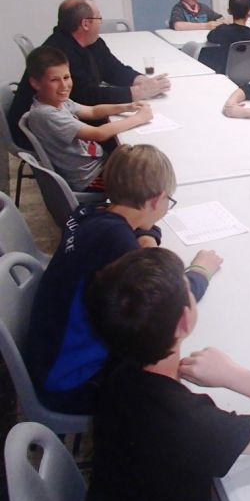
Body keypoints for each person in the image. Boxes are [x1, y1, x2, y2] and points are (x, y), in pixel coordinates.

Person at [85, 248, 250, 501]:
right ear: (184, 320)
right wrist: (233, 375)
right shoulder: (191, 425)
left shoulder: (118, 357)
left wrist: (198, 272)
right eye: (188, 289)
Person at [26, 144, 223, 415]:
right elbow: (169, 302)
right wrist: (201, 270)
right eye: (169, 201)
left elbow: (143, 228)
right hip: (70, 383)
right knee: (167, 392)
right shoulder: (119, 247)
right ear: (156, 200)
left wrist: (146, 237)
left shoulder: (91, 213)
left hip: (46, 350)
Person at [8, 0, 170, 148]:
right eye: (99, 18)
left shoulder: (92, 42)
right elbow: (87, 97)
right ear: (85, 24)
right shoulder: (59, 55)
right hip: (41, 136)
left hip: (71, 119)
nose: (101, 23)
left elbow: (113, 69)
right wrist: (136, 93)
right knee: (133, 143)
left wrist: (141, 81)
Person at [25, 46, 153, 191]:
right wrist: (139, 118)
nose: (64, 86)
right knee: (145, 181)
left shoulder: (58, 101)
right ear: (35, 83)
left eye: (66, 77)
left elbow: (93, 111)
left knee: (144, 165)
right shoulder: (47, 114)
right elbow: (98, 134)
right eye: (54, 80)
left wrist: (126, 107)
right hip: (90, 178)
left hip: (99, 163)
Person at [200, 0, 250, 74]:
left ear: (229, 11)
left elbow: (210, 37)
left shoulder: (221, 30)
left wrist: (222, 25)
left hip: (226, 73)